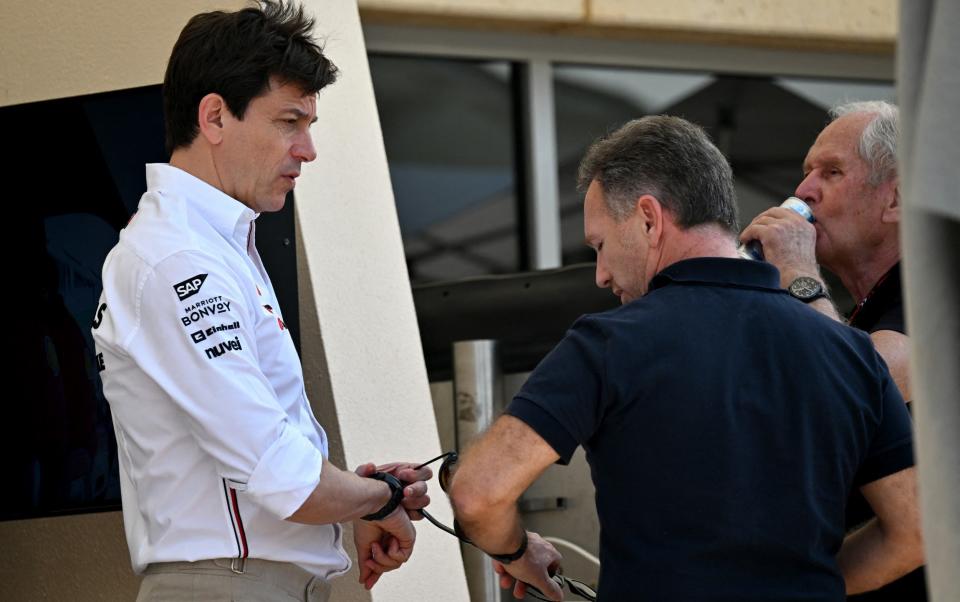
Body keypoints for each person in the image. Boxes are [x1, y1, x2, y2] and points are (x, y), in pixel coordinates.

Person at [446, 115, 923, 601]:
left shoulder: (609, 343)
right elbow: (916, 531)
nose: (601, 274)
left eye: (601, 246)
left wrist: (515, 551)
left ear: (649, 219)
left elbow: (478, 492)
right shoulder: (850, 352)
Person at [91, 3, 429, 600]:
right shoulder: (179, 260)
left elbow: (274, 469)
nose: (308, 149)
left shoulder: (208, 247)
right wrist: (384, 496)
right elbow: (285, 480)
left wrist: (360, 498)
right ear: (215, 116)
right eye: (289, 122)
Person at [742, 100, 926, 600]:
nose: (803, 190)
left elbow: (854, 385)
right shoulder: (859, 313)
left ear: (895, 200)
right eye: (805, 173)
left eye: (832, 172)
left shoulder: (935, 290)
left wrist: (800, 274)